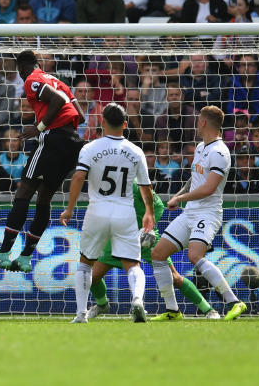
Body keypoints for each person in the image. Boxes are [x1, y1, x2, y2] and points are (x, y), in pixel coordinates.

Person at [0, 50, 84, 273]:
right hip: (72, 143)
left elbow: (57, 100)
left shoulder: (32, 81)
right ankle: (25, 257)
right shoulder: (58, 81)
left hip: (53, 139)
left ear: (21, 68)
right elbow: (79, 115)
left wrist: (39, 127)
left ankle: (4, 254)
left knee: (24, 192)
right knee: (44, 199)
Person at [150, 105, 247, 320]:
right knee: (157, 254)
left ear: (203, 122)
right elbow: (195, 179)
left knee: (194, 255)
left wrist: (181, 198)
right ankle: (172, 310)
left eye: (198, 120)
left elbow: (209, 188)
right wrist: (180, 193)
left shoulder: (220, 152)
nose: (196, 124)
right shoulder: (202, 147)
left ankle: (234, 302)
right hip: (190, 212)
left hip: (208, 213)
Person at [63, 103, 155, 323]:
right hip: (125, 211)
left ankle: (81, 313)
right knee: (133, 265)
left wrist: (70, 208)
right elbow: (146, 186)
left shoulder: (90, 148)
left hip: (97, 210)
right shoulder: (136, 151)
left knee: (85, 262)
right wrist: (149, 212)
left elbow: (78, 177)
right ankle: (137, 300)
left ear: (102, 122)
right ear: (125, 124)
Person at [81, 178, 219, 321]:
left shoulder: (135, 185)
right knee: (93, 277)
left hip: (145, 238)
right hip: (118, 237)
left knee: (175, 278)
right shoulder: (107, 185)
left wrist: (147, 229)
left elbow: (158, 206)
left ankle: (208, 310)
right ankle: (102, 305)